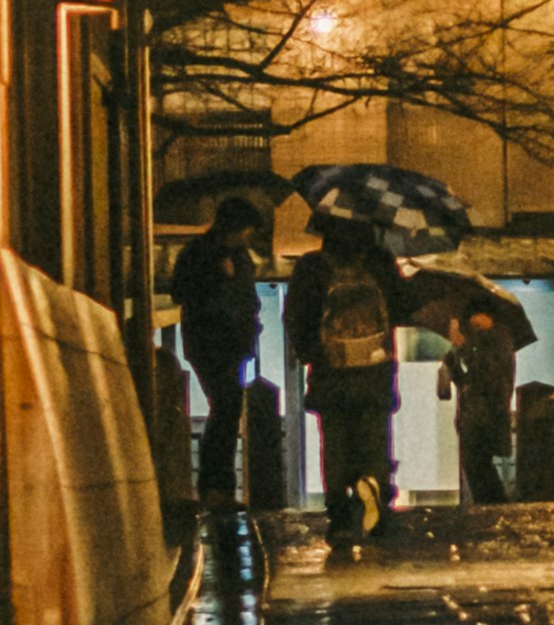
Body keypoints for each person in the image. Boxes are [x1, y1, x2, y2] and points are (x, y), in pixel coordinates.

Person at [289, 199, 408, 557]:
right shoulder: (379, 263)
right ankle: (375, 501)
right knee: (374, 440)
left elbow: (297, 320)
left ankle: (341, 516)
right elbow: (400, 307)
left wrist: (313, 353)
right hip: (374, 370)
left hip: (332, 373)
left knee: (336, 442)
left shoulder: (312, 267)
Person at [168, 195, 268, 503]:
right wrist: (217, 277)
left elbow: (247, 297)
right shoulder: (200, 254)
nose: (248, 236)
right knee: (226, 407)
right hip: (210, 342)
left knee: (227, 408)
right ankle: (216, 486)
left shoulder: (239, 256)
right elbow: (179, 293)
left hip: (233, 343)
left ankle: (218, 486)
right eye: (246, 230)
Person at [446, 299, 520, 504]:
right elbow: (465, 381)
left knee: (479, 467)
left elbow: (488, 374)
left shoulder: (499, 338)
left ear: (489, 315)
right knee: (475, 468)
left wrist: (462, 349)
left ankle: (495, 507)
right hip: (473, 416)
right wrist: (454, 357)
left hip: (486, 417)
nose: (472, 321)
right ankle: (491, 507)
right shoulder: (479, 341)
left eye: (477, 314)